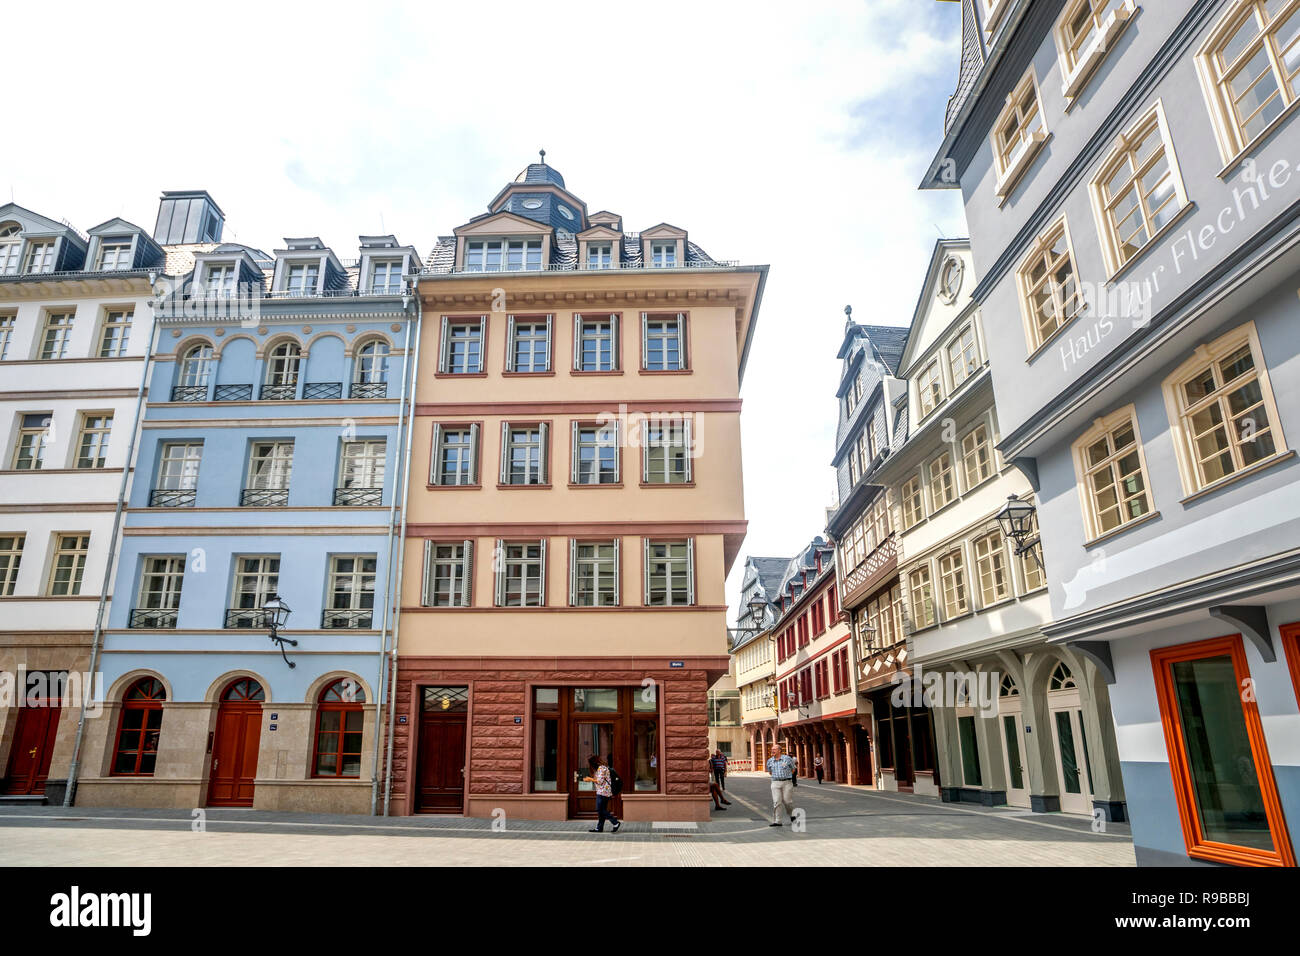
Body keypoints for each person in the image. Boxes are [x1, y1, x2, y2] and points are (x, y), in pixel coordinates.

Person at [583, 754, 621, 833]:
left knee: (600, 809)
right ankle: (599, 828)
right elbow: (599, 780)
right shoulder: (600, 768)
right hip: (602, 791)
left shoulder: (602, 768)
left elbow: (599, 781)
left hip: (604, 792)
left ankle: (615, 822)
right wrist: (592, 779)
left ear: (593, 762)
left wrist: (590, 779)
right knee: (601, 810)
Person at [766, 743, 797, 827]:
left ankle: (792, 815)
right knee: (777, 802)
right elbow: (770, 772)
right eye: (772, 749)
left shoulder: (787, 759)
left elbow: (793, 769)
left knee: (787, 801)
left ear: (779, 750)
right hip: (775, 783)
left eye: (774, 749)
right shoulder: (770, 761)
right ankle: (778, 821)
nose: (772, 751)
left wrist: (787, 776)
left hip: (787, 782)